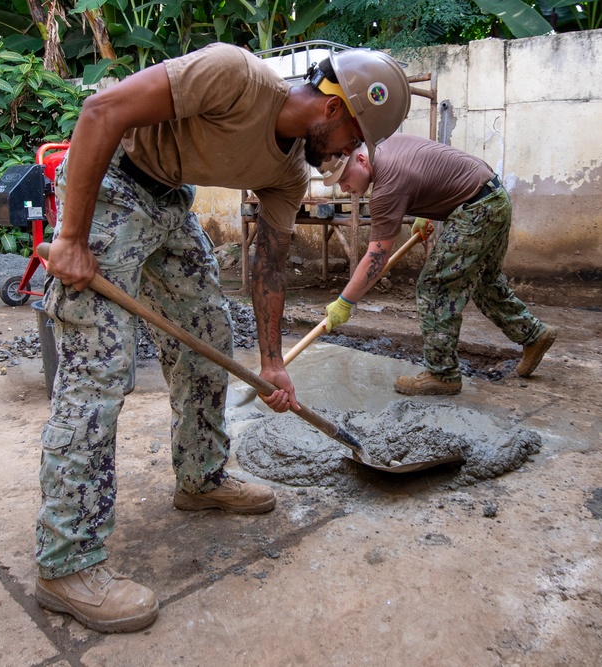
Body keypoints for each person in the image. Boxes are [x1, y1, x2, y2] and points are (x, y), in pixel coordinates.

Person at [34, 42, 411, 634]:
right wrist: (73, 238)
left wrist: (271, 363)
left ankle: (201, 477)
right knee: (99, 369)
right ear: (336, 110)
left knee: (208, 335)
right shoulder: (235, 76)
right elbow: (101, 111)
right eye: (355, 140)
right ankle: (65, 560)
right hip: (112, 184)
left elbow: (270, 264)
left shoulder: (288, 174)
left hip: (169, 205)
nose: (350, 156)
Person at [318, 134, 556, 396]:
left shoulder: (386, 188)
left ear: (361, 160)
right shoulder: (386, 146)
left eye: (343, 179)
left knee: (435, 288)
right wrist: (424, 212)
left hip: (476, 210)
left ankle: (442, 374)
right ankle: (533, 335)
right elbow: (428, 166)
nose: (343, 188)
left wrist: (345, 302)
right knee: (485, 282)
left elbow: (377, 257)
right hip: (495, 198)